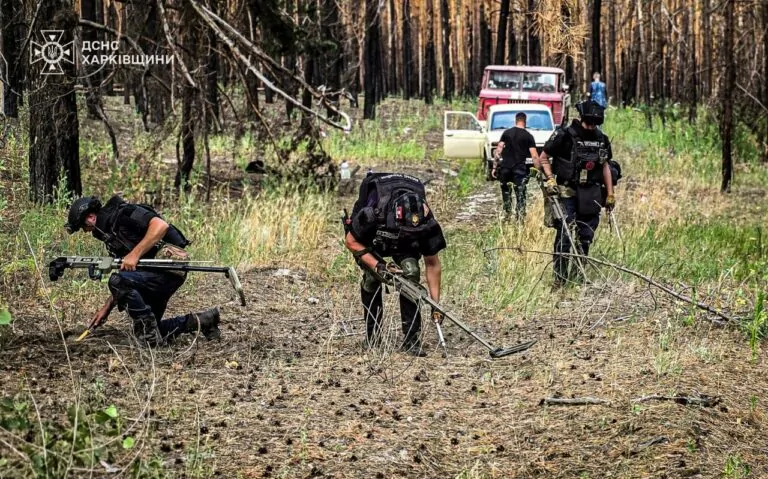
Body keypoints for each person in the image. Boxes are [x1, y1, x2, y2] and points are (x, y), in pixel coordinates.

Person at [64, 195, 221, 346]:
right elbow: (127, 276)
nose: (86, 232)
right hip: (151, 276)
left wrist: (134, 254)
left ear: (91, 217)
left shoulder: (124, 213)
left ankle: (149, 336)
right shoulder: (113, 235)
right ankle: (204, 320)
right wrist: (106, 308)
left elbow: (160, 226)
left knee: (119, 283)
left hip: (167, 272)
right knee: (154, 329)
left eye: (84, 227)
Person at [343, 173, 446, 356]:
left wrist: (435, 304)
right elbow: (351, 241)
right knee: (372, 278)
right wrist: (378, 266)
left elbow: (432, 263)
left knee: (411, 273)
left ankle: (411, 340)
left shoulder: (427, 222)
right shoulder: (373, 212)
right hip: (374, 238)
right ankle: (373, 338)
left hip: (404, 245)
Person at [534, 100, 616, 287]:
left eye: (595, 124)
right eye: (589, 123)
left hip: (591, 194)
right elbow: (543, 158)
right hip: (567, 192)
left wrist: (610, 194)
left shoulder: (601, 139)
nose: (592, 127)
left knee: (585, 236)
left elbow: (605, 167)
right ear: (582, 118)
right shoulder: (564, 135)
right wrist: (550, 179)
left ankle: (578, 275)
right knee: (565, 234)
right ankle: (560, 279)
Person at [493, 112, 538, 220]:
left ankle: (507, 214)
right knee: (520, 193)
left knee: (506, 192)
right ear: (525, 121)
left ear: (516, 120)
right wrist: (538, 170)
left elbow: (498, 151)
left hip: (505, 169)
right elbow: (535, 156)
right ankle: (520, 217)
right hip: (519, 170)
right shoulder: (528, 136)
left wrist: (494, 167)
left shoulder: (506, 133)